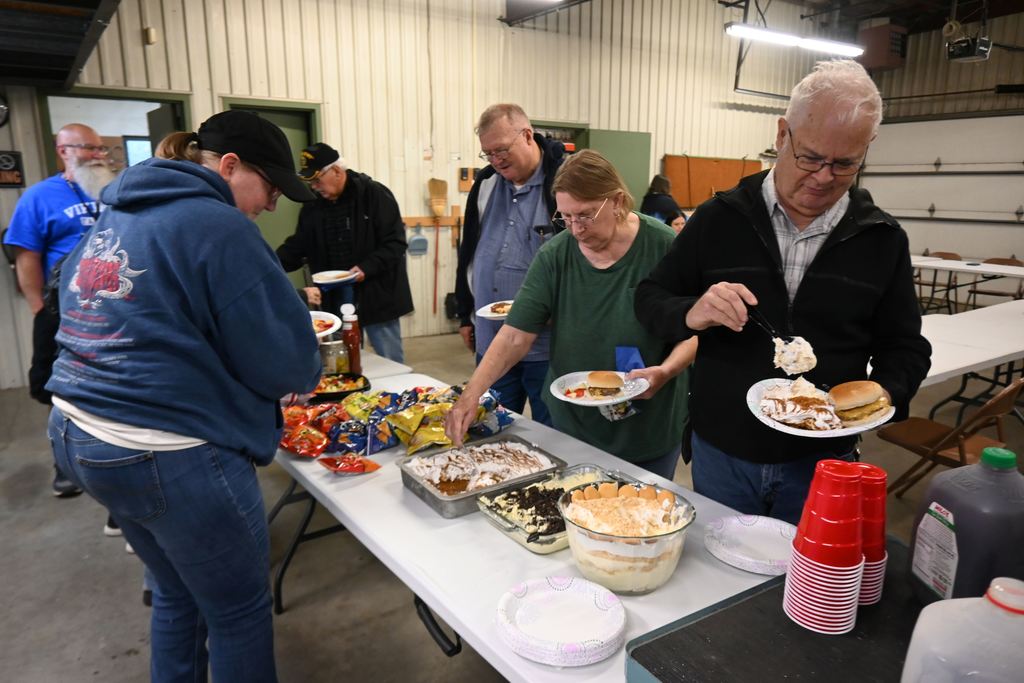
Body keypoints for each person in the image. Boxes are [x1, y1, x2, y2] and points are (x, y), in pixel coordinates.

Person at [45, 109, 321, 682]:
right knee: (239, 612)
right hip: (162, 449)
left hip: (77, 429)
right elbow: (289, 365)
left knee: (176, 594)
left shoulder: (117, 210)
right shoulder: (218, 225)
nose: (272, 205)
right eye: (270, 187)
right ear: (228, 166)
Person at [634, 60, 931, 523]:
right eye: (810, 157)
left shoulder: (881, 239)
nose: (822, 177)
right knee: (723, 580)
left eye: (845, 164)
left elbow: (906, 346)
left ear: (866, 150)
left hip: (823, 461)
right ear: (781, 135)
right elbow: (650, 298)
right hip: (724, 450)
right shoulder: (719, 219)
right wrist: (693, 312)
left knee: (809, 586)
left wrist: (886, 392)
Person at [446, 150, 697, 480]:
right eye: (565, 217)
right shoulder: (556, 255)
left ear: (618, 201)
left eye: (586, 215)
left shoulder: (663, 246)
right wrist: (471, 395)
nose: (576, 229)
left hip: (649, 427)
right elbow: (514, 335)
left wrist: (666, 370)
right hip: (574, 425)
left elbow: (694, 332)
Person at [3, 123, 116, 498]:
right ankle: (64, 461)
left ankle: (112, 459)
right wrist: (38, 307)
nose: (99, 155)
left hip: (114, 313)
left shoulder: (113, 193)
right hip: (62, 313)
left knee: (112, 386)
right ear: (63, 150)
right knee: (56, 387)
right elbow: (26, 257)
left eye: (102, 149)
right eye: (89, 148)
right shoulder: (38, 197)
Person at [453, 104, 568, 426]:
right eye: (488, 154)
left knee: (554, 432)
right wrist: (465, 313)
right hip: (492, 339)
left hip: (548, 346)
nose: (496, 160)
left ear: (528, 135)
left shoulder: (564, 180)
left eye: (501, 150)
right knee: (492, 427)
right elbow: (470, 251)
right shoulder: (487, 184)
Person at [276, 143, 413, 363]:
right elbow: (298, 245)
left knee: (390, 360)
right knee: (342, 362)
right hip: (334, 299)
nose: (314, 187)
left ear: (337, 172)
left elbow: (395, 244)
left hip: (377, 297)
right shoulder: (312, 206)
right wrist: (270, 264)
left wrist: (366, 268)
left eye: (317, 180)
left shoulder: (374, 195)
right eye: (311, 182)